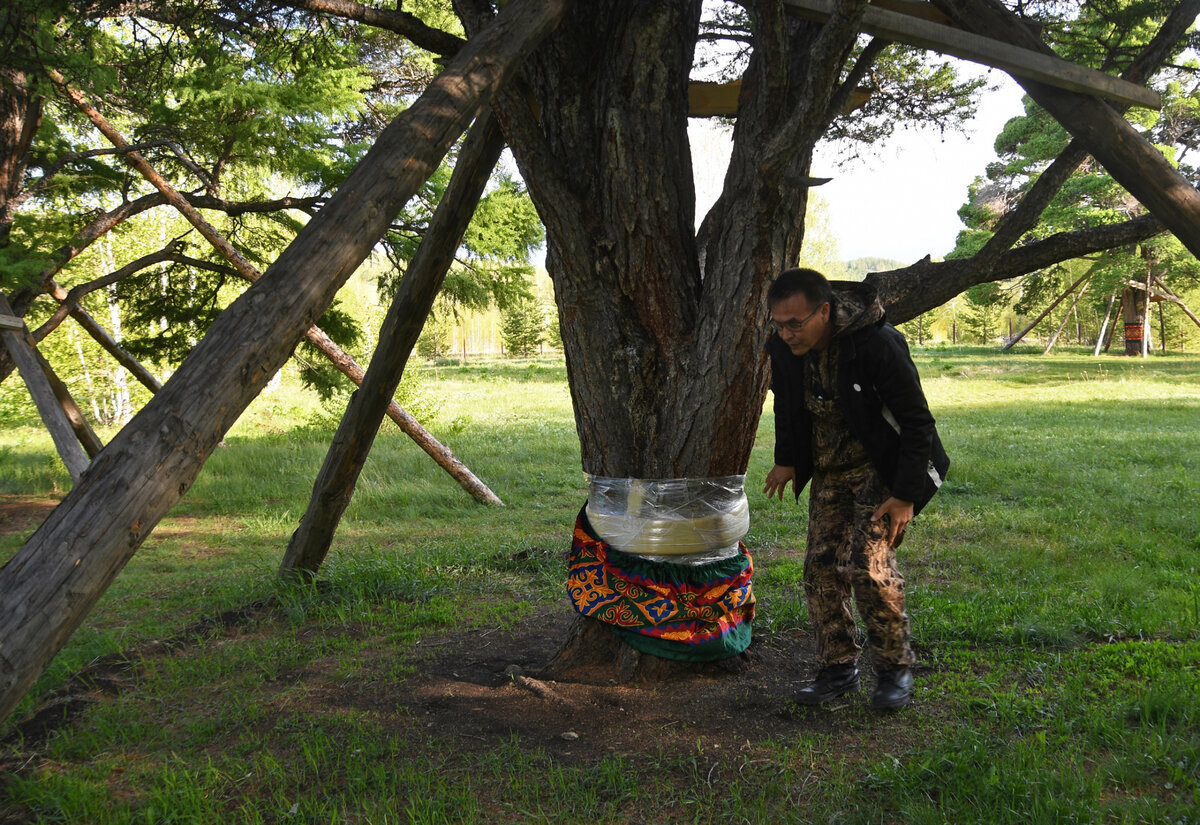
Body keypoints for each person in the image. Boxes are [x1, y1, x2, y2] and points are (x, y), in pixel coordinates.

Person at [763, 268, 948, 710]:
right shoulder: (784, 347)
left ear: (824, 312)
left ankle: (894, 669)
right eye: (778, 324)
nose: (786, 333)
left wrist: (905, 494)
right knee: (820, 569)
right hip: (831, 468)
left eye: (795, 323)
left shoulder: (877, 343)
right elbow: (787, 403)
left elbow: (917, 421)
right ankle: (837, 670)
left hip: (882, 468)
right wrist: (787, 458)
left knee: (869, 568)